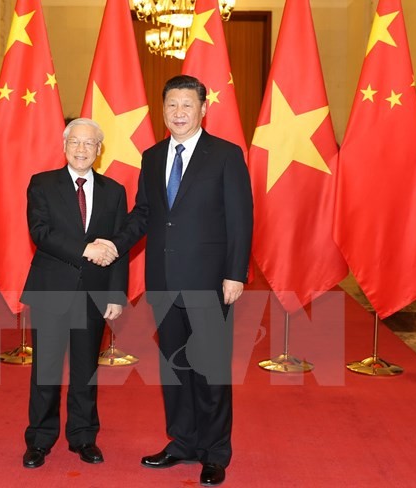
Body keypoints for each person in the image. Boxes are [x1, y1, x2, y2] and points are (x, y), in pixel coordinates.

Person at [97, 75, 253, 486]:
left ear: (203, 109)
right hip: (163, 281)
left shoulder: (226, 155)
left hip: (209, 281)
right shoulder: (151, 156)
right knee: (174, 367)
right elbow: (145, 215)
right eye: (171, 105)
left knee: (210, 370)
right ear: (162, 109)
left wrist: (235, 273)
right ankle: (182, 442)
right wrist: (113, 244)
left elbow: (240, 218)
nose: (178, 113)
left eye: (187, 105)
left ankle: (215, 452)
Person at [20, 118, 128, 469]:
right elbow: (40, 232)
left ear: (100, 151)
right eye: (75, 142)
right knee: (46, 371)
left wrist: (116, 295)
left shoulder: (114, 191)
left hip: (93, 294)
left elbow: (118, 248)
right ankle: (39, 438)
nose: (82, 149)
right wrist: (86, 249)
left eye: (89, 144)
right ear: (64, 146)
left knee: (85, 371)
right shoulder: (42, 184)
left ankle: (83, 437)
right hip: (51, 290)